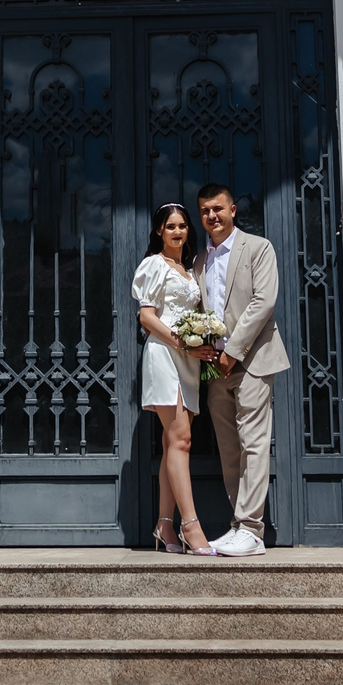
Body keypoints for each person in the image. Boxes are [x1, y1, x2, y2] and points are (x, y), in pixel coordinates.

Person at [194, 182, 287, 558]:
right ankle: (239, 525)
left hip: (253, 358)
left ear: (233, 209)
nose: (212, 216)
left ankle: (252, 528)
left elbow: (263, 301)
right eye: (205, 211)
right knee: (228, 448)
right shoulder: (200, 261)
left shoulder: (258, 248)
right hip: (215, 367)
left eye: (218, 208)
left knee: (253, 443)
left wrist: (233, 350)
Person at [132, 202, 214, 555]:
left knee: (172, 443)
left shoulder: (189, 268)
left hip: (190, 361)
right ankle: (191, 526)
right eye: (170, 227)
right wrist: (182, 342)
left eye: (182, 226)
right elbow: (147, 317)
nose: (178, 232)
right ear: (158, 232)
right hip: (165, 354)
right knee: (181, 440)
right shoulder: (154, 265)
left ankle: (164, 525)